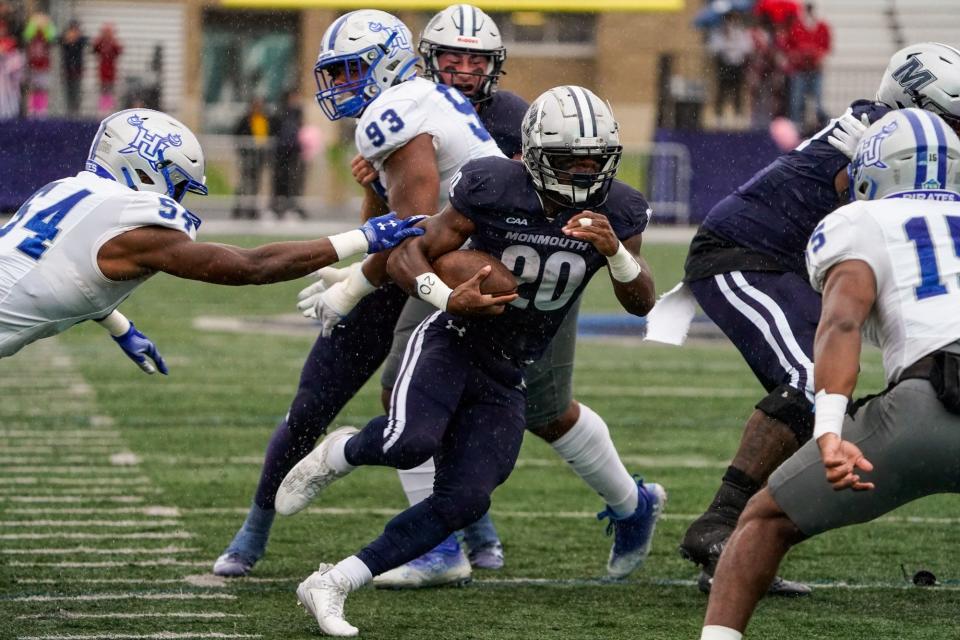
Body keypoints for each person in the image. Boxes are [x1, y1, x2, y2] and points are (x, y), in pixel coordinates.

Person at [215, 6, 664, 590]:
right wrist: (368, 262)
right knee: (384, 389)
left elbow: (428, 224)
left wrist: (358, 280)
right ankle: (433, 540)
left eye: (476, 58)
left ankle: (619, 506)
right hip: (434, 259)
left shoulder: (517, 120)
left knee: (543, 411)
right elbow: (404, 230)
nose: (461, 68)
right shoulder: (413, 109)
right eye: (450, 56)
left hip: (524, 275)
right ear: (423, 60)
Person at [279, 84, 659, 638]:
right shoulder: (491, 185)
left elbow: (643, 300)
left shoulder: (620, 209)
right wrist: (444, 296)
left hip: (512, 368)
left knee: (464, 498)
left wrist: (617, 253)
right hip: (452, 339)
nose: (581, 174)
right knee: (410, 442)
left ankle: (333, 582)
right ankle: (341, 451)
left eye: (593, 161)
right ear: (532, 155)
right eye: (566, 160)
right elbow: (411, 251)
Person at [647, 41, 960, 596]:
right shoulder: (878, 134)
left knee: (818, 380)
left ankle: (734, 535)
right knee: (808, 380)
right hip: (745, 254)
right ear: (913, 103)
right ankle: (720, 528)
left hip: (787, 263)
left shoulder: (886, 128)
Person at [699, 107, 960, 640]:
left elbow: (841, 322)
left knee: (762, 522)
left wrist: (829, 430)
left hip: (930, 405)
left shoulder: (859, 220)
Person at [0, 108, 423, 365]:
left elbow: (53, 264)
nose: (179, 199)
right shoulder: (134, 223)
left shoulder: (70, 191)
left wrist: (118, 325)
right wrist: (363, 237)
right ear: (146, 170)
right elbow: (252, 267)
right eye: (177, 185)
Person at [231, 96, 272, 220]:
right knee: (244, 183)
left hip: (259, 158)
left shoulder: (264, 119)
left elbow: (267, 136)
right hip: (248, 157)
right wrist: (243, 151)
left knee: (255, 184)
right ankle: (239, 208)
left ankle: (252, 209)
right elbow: (238, 136)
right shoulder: (245, 120)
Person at [270, 89, 306, 220]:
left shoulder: (297, 112)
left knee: (294, 181)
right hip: (281, 153)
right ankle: (277, 207)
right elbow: (275, 130)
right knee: (279, 180)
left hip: (293, 153)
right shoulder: (280, 112)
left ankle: (291, 207)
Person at [22, 12, 55, 117]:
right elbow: (26, 35)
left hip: (44, 65)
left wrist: (46, 24)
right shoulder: (32, 33)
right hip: (32, 65)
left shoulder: (46, 33)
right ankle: (32, 108)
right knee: (33, 88)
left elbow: (52, 36)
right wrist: (34, 24)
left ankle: (42, 109)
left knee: (43, 88)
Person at [92, 24, 122, 115]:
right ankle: (103, 109)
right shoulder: (101, 42)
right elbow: (94, 49)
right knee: (103, 92)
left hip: (111, 73)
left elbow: (119, 50)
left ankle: (109, 109)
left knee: (110, 92)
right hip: (102, 73)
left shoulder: (113, 43)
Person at [59, 20, 86, 117]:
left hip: (77, 70)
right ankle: (68, 111)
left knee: (76, 92)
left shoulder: (80, 40)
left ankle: (76, 112)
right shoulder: (65, 40)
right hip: (67, 70)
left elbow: (85, 41)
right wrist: (67, 39)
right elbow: (57, 39)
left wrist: (75, 39)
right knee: (68, 92)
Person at [0, 21, 23, 121]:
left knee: (12, 99)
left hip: (9, 80)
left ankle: (11, 117)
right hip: (2, 78)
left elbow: (17, 62)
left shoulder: (11, 43)